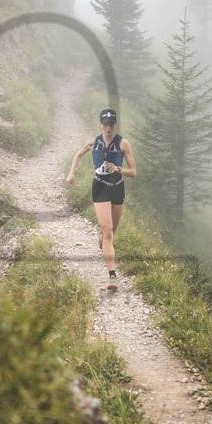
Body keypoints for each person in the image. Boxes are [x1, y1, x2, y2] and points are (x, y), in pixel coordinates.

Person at [66, 108, 136, 290]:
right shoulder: (92, 143)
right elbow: (77, 155)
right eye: (105, 124)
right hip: (99, 188)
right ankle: (113, 277)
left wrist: (118, 169)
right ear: (100, 124)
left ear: (115, 125)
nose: (108, 127)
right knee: (108, 230)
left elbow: (133, 172)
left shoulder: (123, 144)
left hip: (117, 189)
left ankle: (102, 237)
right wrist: (71, 173)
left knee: (112, 230)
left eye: (111, 124)